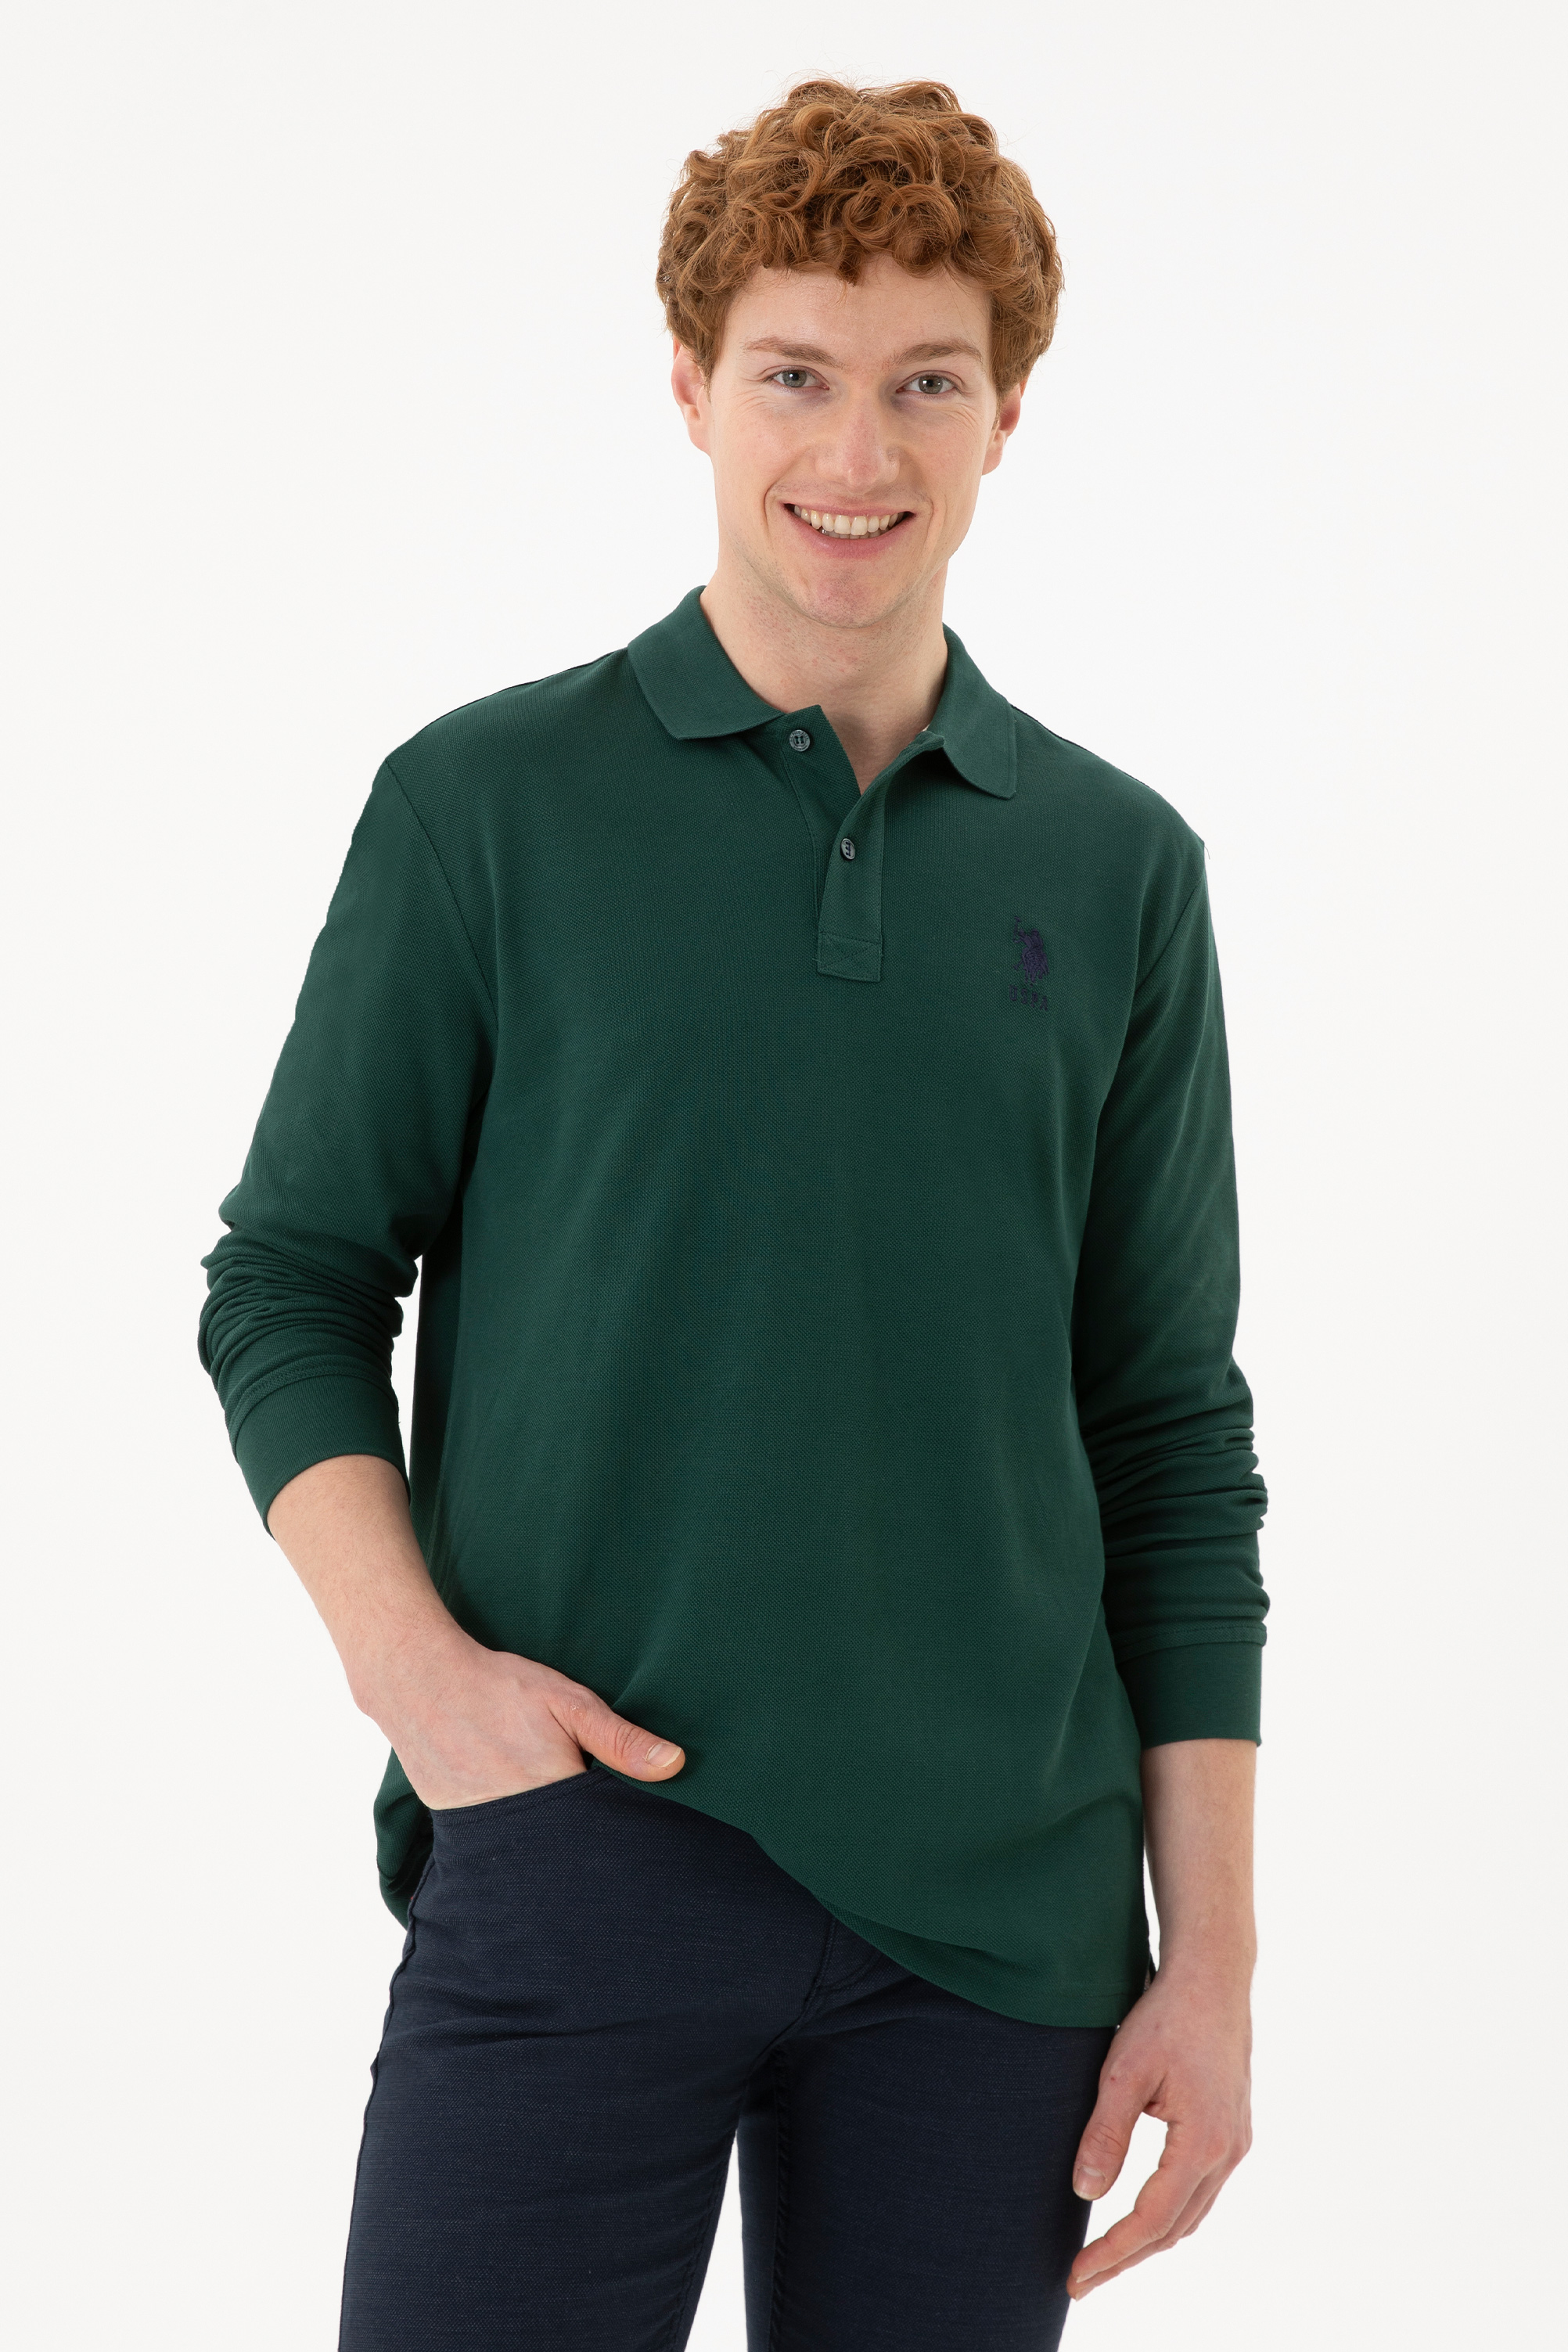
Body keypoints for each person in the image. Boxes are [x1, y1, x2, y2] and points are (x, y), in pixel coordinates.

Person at [200, 77, 1268, 2352]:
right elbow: (289, 1283)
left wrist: (1217, 1967)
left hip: (1000, 1935)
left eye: (926, 384)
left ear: (1007, 414)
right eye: (795, 374)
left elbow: (1170, 1433)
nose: (856, 453)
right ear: (689, 385)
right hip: (579, 1846)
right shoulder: (488, 807)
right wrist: (421, 1686)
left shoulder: (1118, 869)